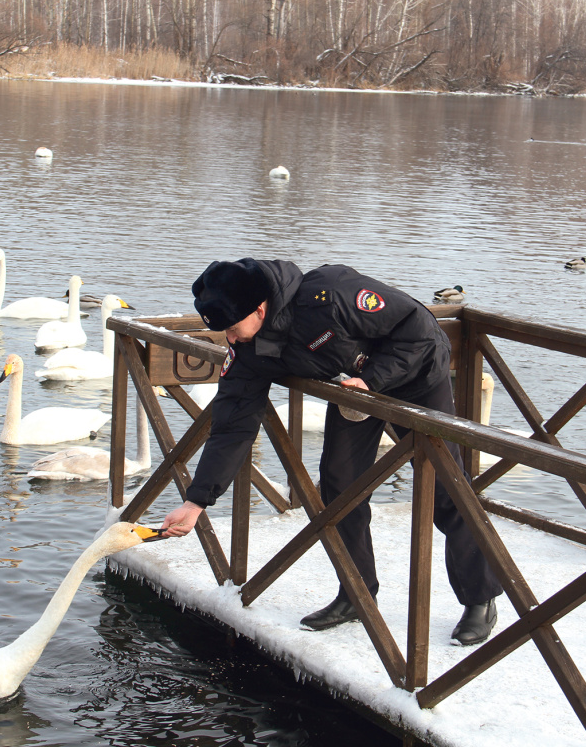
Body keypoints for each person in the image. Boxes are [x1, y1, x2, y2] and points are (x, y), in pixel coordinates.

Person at [161, 258, 503, 644]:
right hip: (352, 390)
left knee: (447, 489)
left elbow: (420, 332)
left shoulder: (331, 294)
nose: (231, 339)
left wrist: (372, 379)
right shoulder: (250, 350)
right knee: (340, 488)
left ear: (259, 309)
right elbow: (232, 425)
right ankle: (357, 594)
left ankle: (481, 599)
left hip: (415, 376)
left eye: (233, 328)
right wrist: (197, 501)